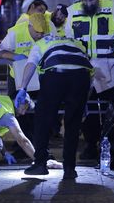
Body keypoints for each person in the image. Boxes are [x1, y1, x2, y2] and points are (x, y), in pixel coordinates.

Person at [65, 0, 114, 160]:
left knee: (111, 109)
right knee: (88, 111)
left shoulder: (113, 8)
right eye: (85, 0)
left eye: (92, 0)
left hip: (110, 68)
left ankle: (110, 144)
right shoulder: (73, 11)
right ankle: (90, 145)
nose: (88, 4)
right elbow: (68, 39)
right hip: (84, 70)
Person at [15, 34, 93, 179]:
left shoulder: (41, 43)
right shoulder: (76, 42)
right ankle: (70, 168)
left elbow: (31, 64)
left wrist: (22, 88)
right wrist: (84, 100)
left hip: (55, 76)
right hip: (81, 77)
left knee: (43, 120)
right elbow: (89, 69)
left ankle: (40, 164)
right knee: (73, 124)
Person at [0, 13, 49, 158]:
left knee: (40, 113)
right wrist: (15, 56)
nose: (40, 35)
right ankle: (23, 148)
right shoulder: (16, 32)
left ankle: (39, 147)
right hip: (18, 79)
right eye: (37, 32)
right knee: (21, 114)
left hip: (40, 79)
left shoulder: (48, 31)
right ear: (29, 26)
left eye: (42, 32)